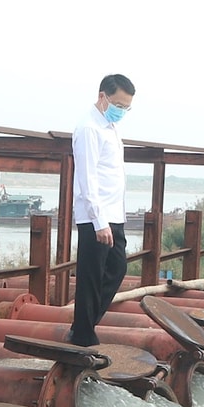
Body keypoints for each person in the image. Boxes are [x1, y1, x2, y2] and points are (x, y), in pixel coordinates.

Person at [69, 74, 135, 346]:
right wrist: (98, 221)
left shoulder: (110, 127)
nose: (122, 111)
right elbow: (87, 178)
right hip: (96, 216)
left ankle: (82, 326)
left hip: (113, 214)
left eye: (126, 107)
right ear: (102, 96)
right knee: (91, 276)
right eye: (118, 104)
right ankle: (83, 335)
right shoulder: (89, 128)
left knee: (117, 268)